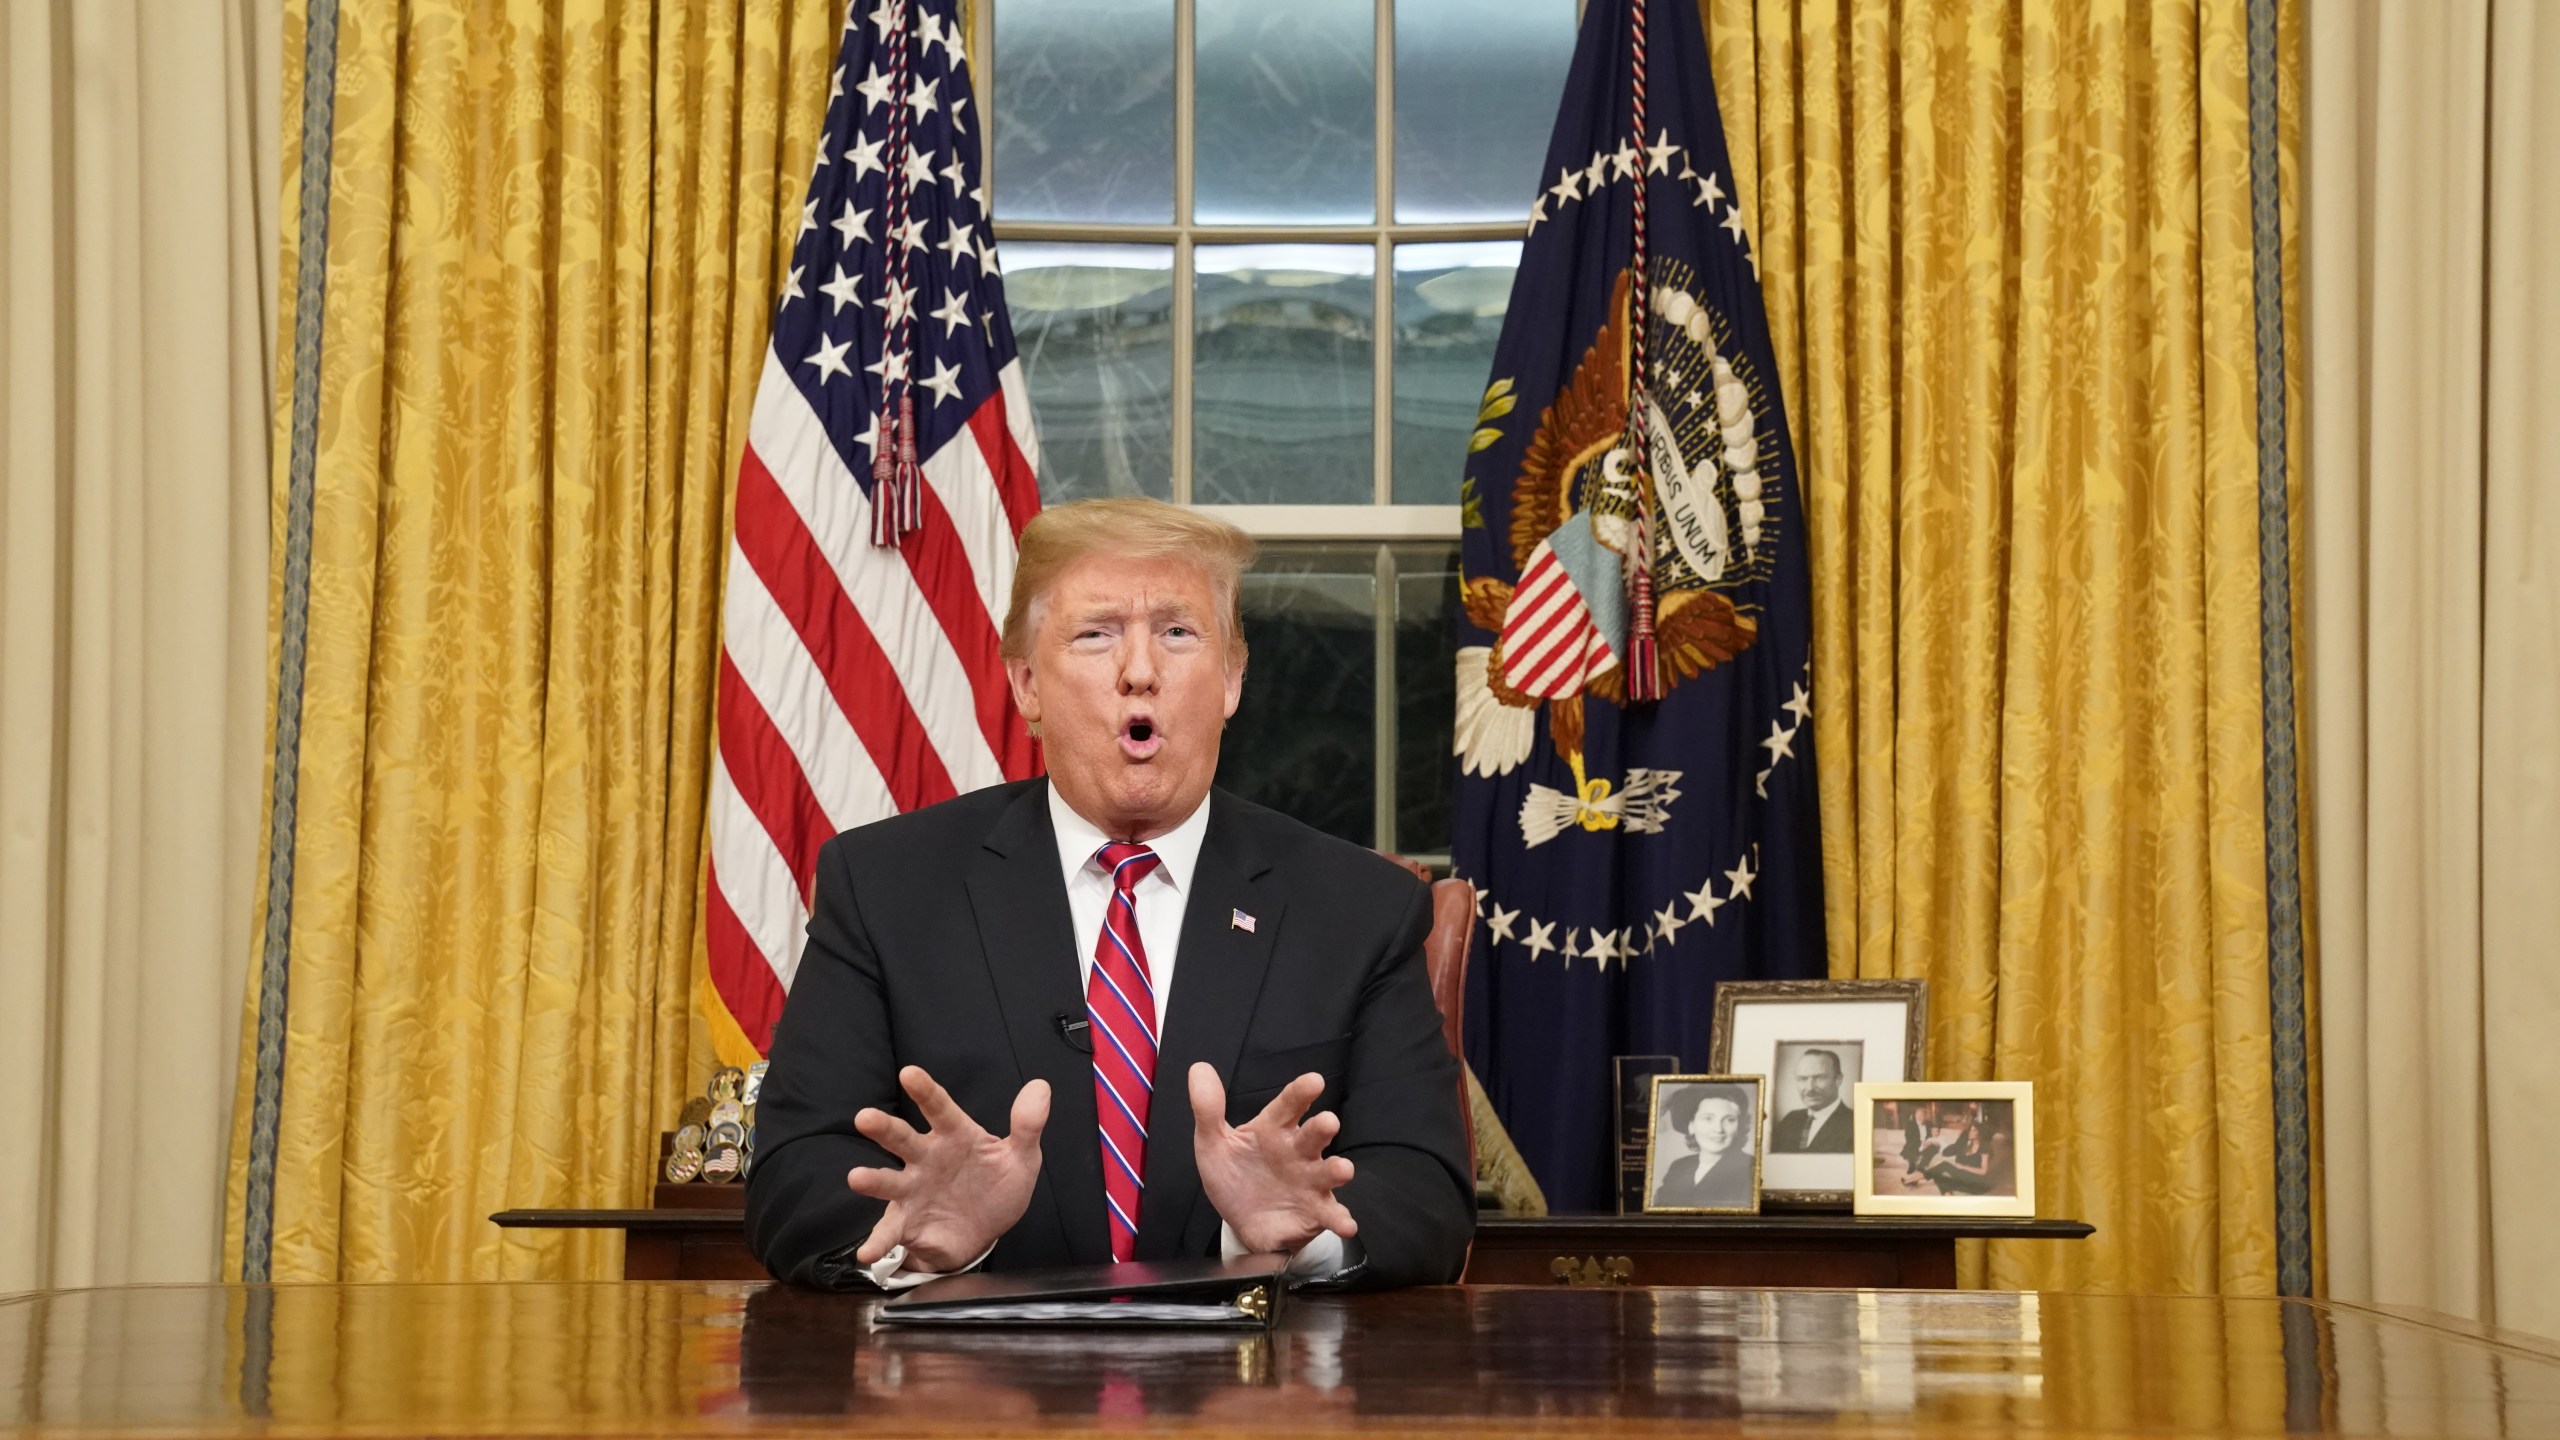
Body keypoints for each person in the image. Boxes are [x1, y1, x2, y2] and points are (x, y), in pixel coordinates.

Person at [744, 498, 1475, 1291]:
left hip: (1255, 1398)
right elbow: (792, 1177)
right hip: (975, 1398)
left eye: (1177, 632)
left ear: (1232, 679)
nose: (1139, 670)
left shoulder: (1357, 909)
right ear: (1025, 683)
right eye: (1096, 634)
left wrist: (1297, 1238)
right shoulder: (886, 890)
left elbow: (1428, 1192)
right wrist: (914, 1242)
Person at [1651, 1084, 1754, 1209]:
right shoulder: (1679, 1167)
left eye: (1729, 1120)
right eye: (1708, 1119)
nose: (1718, 1129)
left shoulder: (1750, 1168)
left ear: (1739, 1127)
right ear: (1691, 1125)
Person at [1768, 1048, 1852, 1153]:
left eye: (1820, 1078)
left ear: (1838, 1080)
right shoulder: (1789, 1121)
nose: (1810, 1088)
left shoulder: (1854, 1123)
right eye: (1802, 1079)